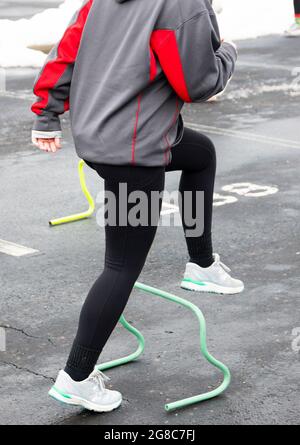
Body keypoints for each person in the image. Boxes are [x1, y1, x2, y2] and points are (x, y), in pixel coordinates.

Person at [31, 0, 243, 413]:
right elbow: (198, 84)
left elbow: (65, 53)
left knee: (200, 153)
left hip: (102, 135)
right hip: (132, 152)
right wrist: (228, 52)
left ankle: (201, 265)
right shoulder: (181, 4)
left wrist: (47, 113)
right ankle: (76, 376)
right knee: (121, 266)